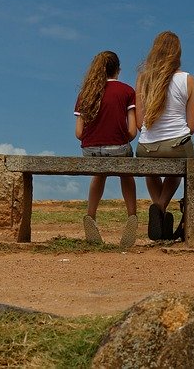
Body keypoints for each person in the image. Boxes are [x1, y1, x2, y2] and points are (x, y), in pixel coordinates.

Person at [135, 31, 194, 241]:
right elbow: (192, 126)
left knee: (149, 167)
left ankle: (158, 210)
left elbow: (138, 123)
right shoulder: (187, 80)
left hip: (146, 147)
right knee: (183, 161)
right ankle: (160, 206)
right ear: (178, 53)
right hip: (176, 145)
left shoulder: (143, 78)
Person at [74, 50, 138, 248]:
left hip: (90, 150)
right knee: (125, 173)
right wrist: (120, 138)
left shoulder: (86, 92)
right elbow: (132, 131)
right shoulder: (127, 91)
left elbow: (78, 133)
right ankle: (132, 216)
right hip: (118, 147)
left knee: (99, 174)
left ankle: (90, 215)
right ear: (118, 70)